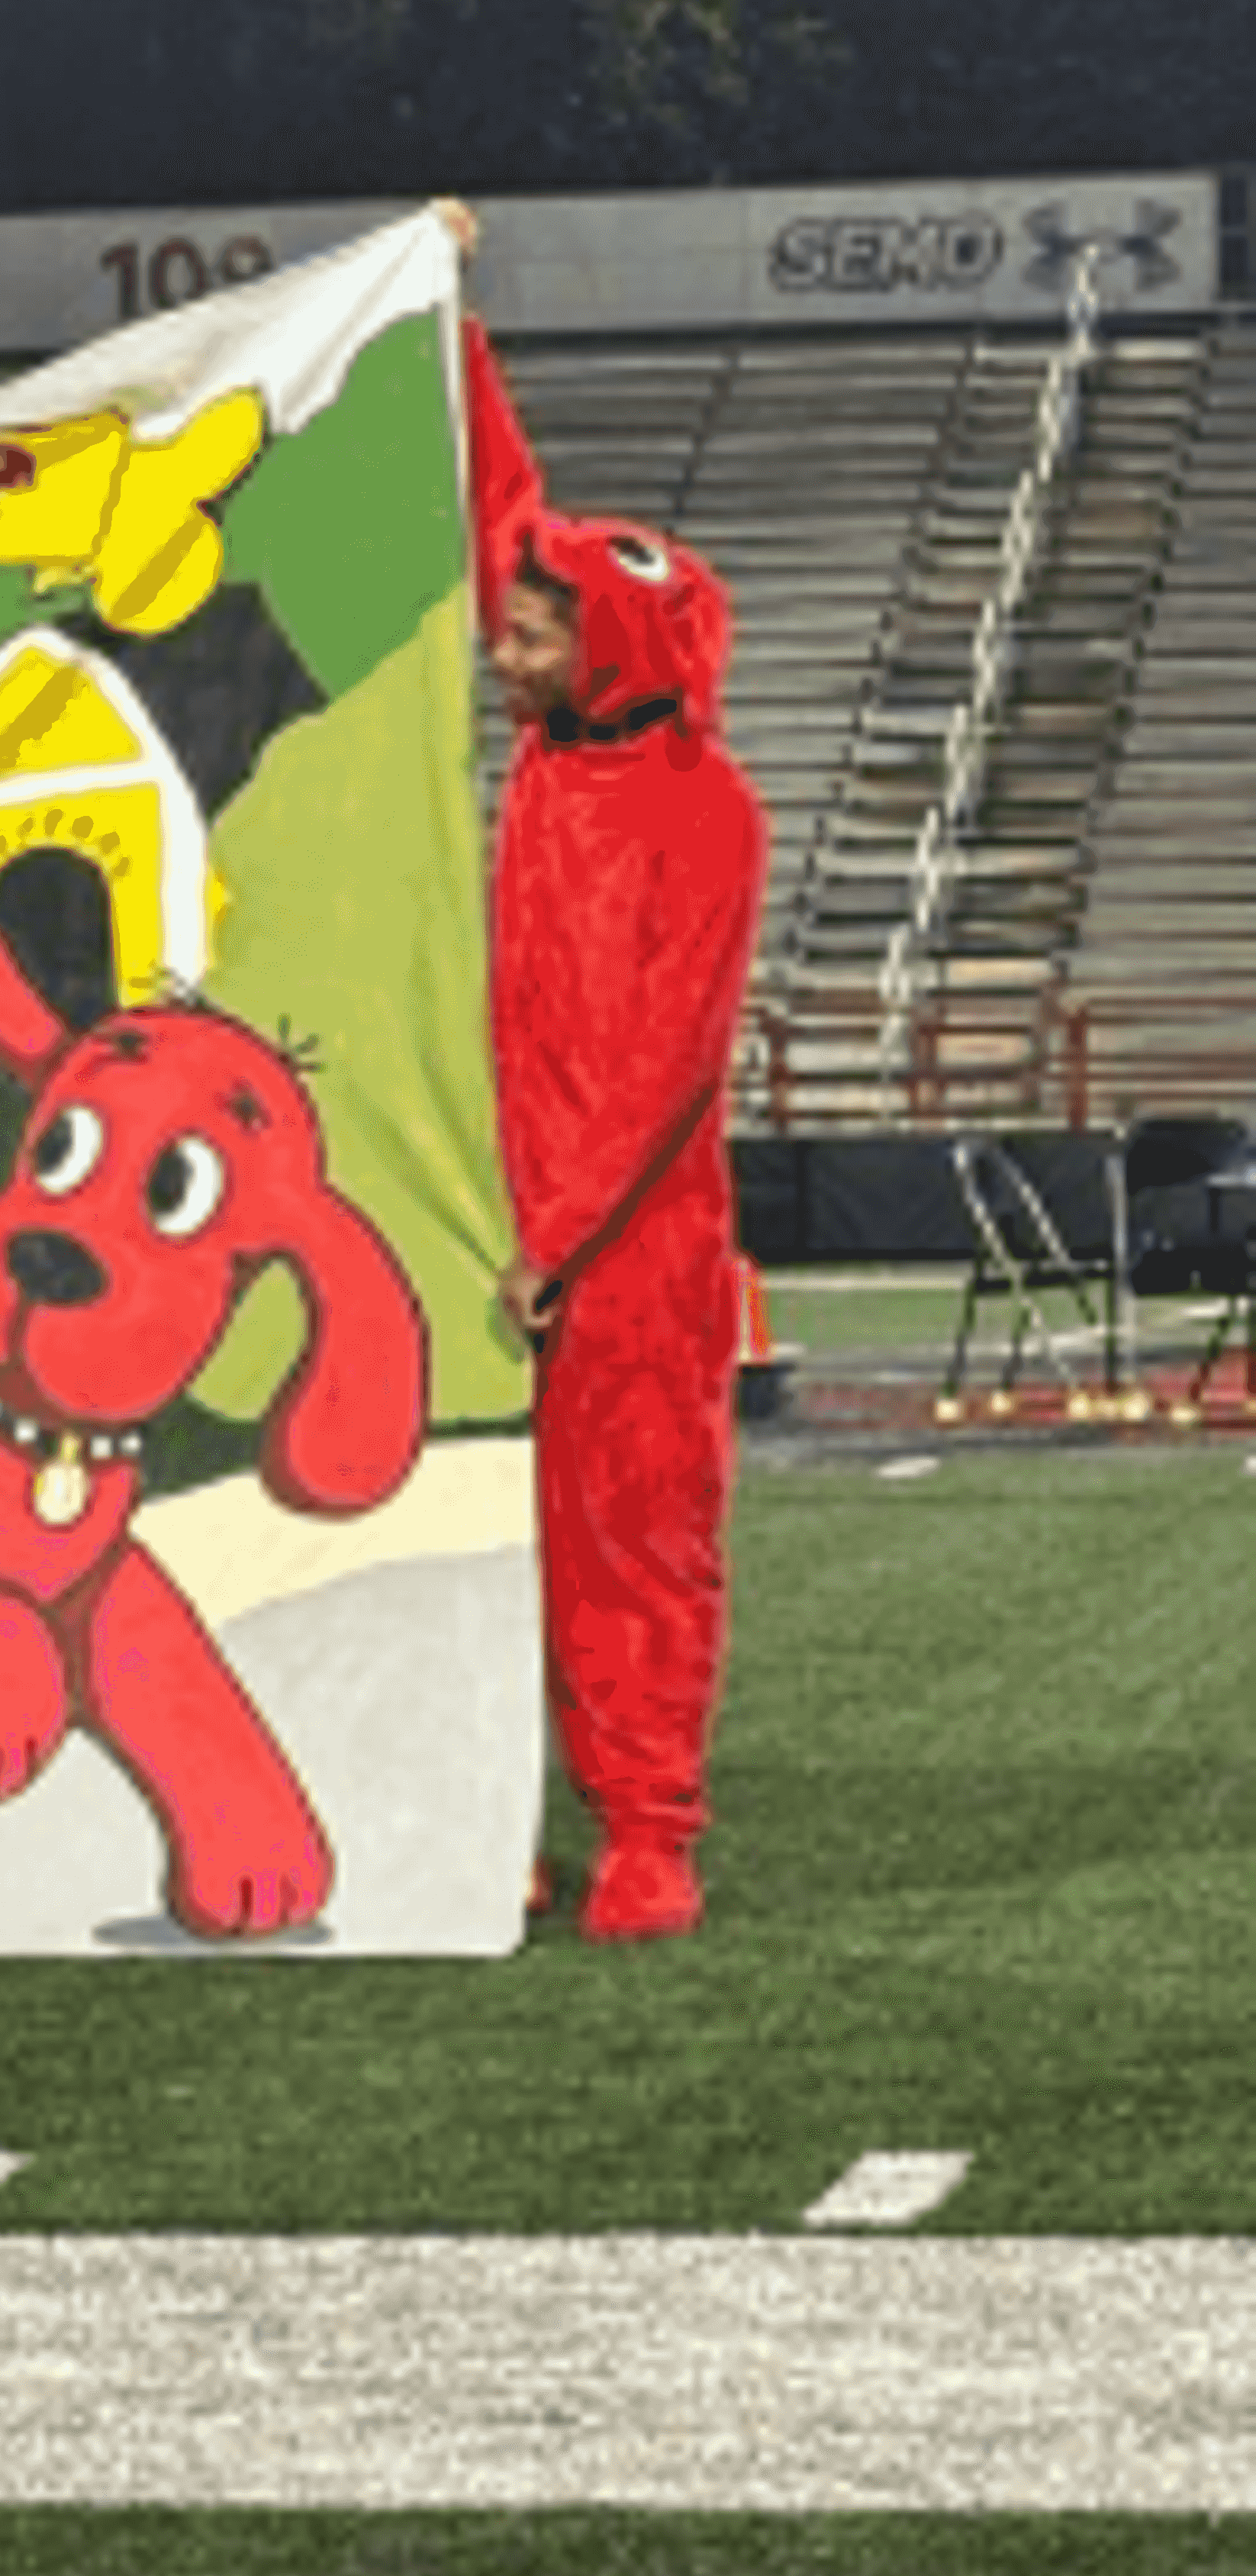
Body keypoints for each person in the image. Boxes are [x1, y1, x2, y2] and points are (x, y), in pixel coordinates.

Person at [462, 291, 768, 1945]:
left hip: (631, 1249)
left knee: (637, 1535)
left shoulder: (708, 815)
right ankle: (488, 1806)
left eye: (529, 634)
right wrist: (452, 314)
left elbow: (667, 1065)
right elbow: (498, 494)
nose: (499, 648)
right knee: (477, 1536)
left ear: (617, 649)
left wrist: (555, 1239)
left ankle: (648, 1826)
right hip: (505, 1227)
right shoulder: (548, 750)